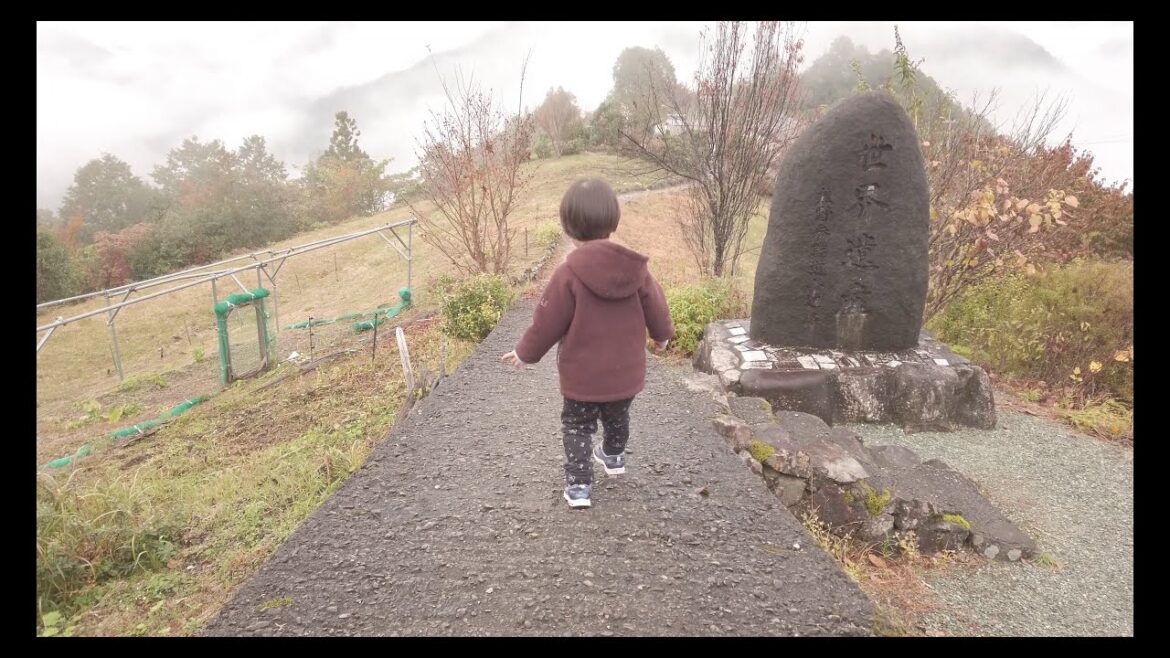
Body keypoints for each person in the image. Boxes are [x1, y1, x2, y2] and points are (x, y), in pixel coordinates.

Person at [501, 178, 675, 508]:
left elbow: (546, 321)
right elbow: (657, 306)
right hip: (626, 373)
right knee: (618, 417)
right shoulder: (637, 271)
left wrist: (525, 353)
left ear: (569, 228)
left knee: (578, 425)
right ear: (613, 220)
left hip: (582, 377)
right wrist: (663, 336)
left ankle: (579, 487)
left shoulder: (568, 274)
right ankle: (613, 457)